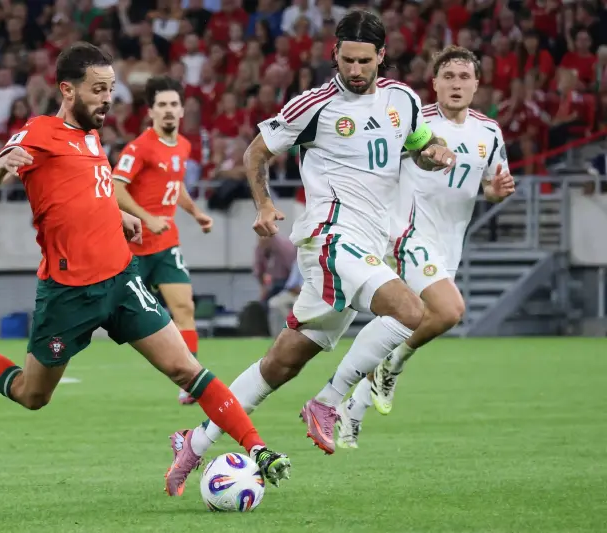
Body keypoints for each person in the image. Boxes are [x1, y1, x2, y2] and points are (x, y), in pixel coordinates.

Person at [0, 42, 290, 497]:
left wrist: (121, 216)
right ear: (67, 90)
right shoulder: (39, 131)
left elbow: (88, 189)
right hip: (68, 292)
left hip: (122, 281)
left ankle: (259, 449)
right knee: (32, 395)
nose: (107, 98)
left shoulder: (93, 137)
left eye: (110, 89)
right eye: (98, 89)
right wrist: (0, 165)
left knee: (186, 368)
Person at [164, 9, 457, 479]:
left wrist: (434, 152)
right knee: (409, 311)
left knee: (282, 362)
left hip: (366, 245)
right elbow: (256, 152)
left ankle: (193, 443)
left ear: (382, 56)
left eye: (364, 61)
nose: (355, 70)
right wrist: (264, 205)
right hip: (331, 237)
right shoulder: (314, 105)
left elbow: (420, 145)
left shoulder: (402, 100)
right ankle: (328, 402)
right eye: (347, 60)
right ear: (334, 54)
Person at [336, 46, 515, 448]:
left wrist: (497, 191)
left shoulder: (489, 132)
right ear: (434, 83)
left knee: (414, 322)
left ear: (477, 85)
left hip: (449, 245)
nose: (456, 84)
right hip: (406, 235)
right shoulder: (415, 123)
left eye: (464, 77)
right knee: (450, 310)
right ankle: (388, 367)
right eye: (448, 76)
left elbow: (489, 187)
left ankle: (353, 407)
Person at [112, 76, 214, 405]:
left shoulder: (182, 145)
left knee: (184, 307)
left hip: (167, 244)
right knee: (110, 314)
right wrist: (147, 218)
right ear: (151, 111)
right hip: (133, 247)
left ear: (182, 110)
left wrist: (195, 212)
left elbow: (175, 184)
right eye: (162, 105)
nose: (168, 110)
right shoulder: (139, 147)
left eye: (173, 104)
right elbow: (115, 187)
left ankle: (191, 381)